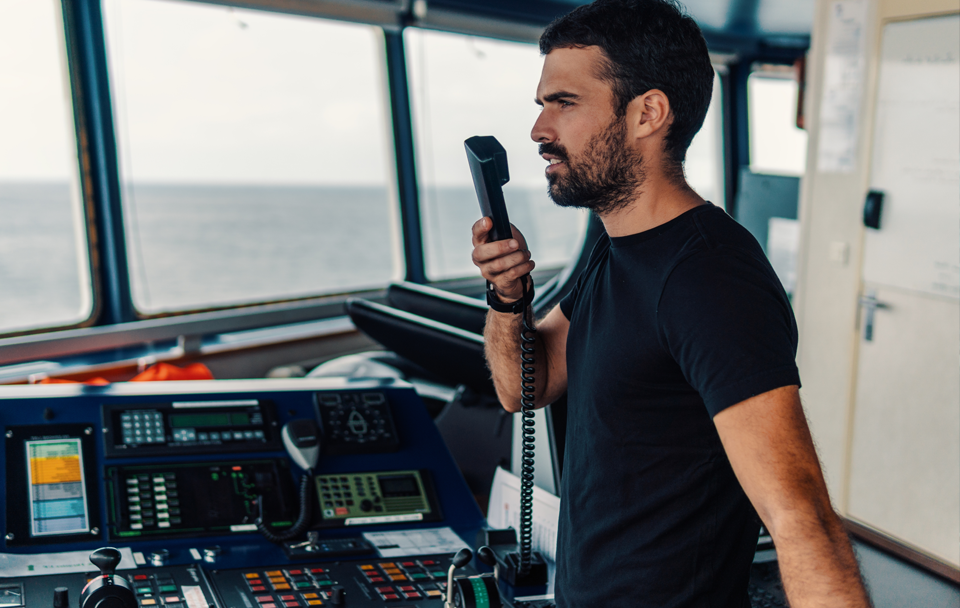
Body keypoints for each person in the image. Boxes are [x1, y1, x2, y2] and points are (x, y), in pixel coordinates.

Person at [470, 1, 872, 606]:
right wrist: (507, 297)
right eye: (542, 105)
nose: (539, 131)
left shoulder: (710, 277)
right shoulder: (618, 247)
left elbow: (799, 515)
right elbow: (527, 384)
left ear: (647, 114)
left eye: (565, 103)